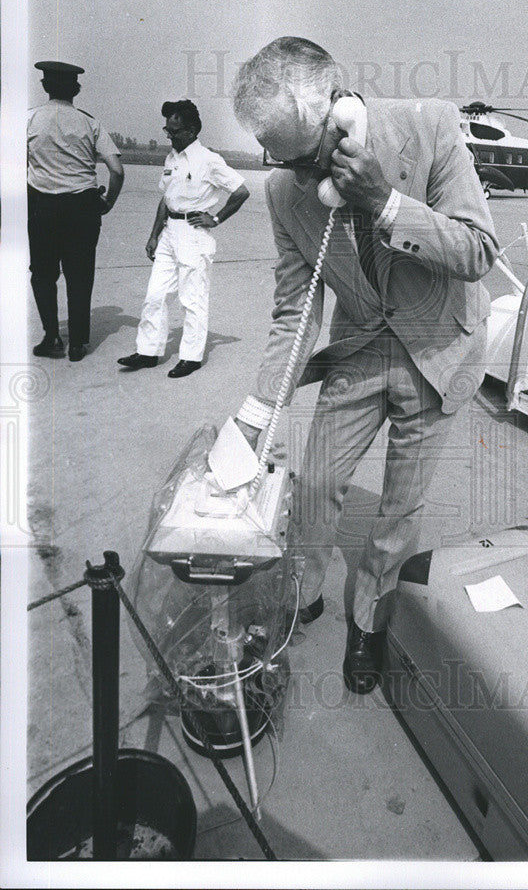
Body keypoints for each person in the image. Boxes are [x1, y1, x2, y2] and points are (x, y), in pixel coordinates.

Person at [230, 37, 499, 693]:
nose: (297, 177)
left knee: (398, 511)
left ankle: (369, 622)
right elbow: (295, 310)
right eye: (280, 159)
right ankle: (304, 591)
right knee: (315, 483)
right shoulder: (282, 193)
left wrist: (384, 203)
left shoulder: (431, 126)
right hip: (359, 347)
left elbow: (478, 251)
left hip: (439, 346)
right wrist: (259, 411)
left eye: (306, 158)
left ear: (343, 112)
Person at [118, 100, 250, 378]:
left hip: (193, 234)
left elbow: (240, 191)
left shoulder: (209, 160)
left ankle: (191, 357)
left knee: (192, 299)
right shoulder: (172, 159)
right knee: (155, 294)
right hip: (169, 234)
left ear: (190, 131)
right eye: (167, 129)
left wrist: (216, 219)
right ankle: (148, 351)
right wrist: (154, 235)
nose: (169, 135)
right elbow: (166, 199)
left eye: (174, 131)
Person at [27, 60, 124, 361]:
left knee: (43, 275)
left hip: (41, 206)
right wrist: (107, 203)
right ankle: (79, 343)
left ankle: (53, 337)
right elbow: (117, 170)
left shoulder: (29, 120)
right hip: (83, 208)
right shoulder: (90, 123)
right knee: (80, 275)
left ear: (44, 86)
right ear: (76, 89)